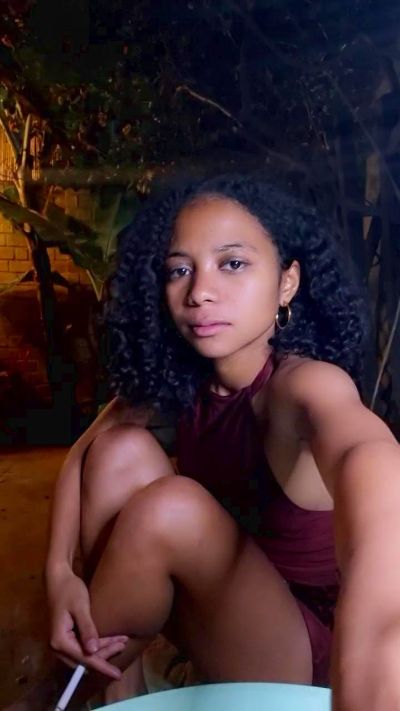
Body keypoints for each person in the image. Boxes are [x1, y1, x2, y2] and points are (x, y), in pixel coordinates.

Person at [46, 174, 400, 710]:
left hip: (315, 660)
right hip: (234, 616)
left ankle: (69, 693)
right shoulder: (185, 381)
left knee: (172, 508)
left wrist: (377, 640)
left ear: (287, 283)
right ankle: (119, 693)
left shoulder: (303, 385)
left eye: (232, 263)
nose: (200, 292)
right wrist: (59, 574)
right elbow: (84, 452)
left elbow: (369, 458)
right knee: (119, 452)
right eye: (180, 270)